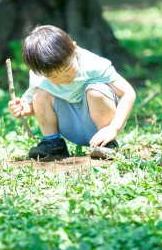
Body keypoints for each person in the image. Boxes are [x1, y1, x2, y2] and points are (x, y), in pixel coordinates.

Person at [8, 25, 136, 160]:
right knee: (40, 93)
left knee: (95, 91)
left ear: (74, 49)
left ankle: (107, 145)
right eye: (53, 77)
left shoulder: (93, 64)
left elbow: (128, 92)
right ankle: (53, 144)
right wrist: (23, 109)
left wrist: (113, 129)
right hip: (69, 125)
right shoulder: (40, 75)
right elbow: (34, 105)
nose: (63, 78)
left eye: (67, 70)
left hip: (101, 127)